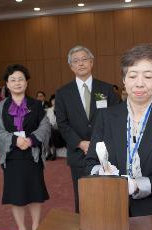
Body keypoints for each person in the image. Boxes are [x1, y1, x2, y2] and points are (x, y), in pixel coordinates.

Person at [86, 44, 152, 230]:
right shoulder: (106, 117)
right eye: (132, 76)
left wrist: (136, 186)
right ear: (124, 79)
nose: (139, 83)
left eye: (148, 76)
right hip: (109, 209)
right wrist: (102, 173)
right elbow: (90, 162)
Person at [55, 45, 119, 213]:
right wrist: (80, 143)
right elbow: (62, 123)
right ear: (71, 66)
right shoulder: (62, 93)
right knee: (82, 196)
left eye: (84, 59)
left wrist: (99, 143)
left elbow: (116, 119)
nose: (80, 63)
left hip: (106, 152)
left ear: (91, 63)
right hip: (78, 153)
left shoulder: (107, 89)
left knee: (107, 195)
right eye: (75, 61)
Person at [0, 64, 50, 230]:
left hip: (32, 155)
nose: (17, 83)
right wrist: (14, 140)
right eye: (13, 80)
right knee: (16, 195)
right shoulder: (0, 107)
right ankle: (22, 229)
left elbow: (45, 126)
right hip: (12, 156)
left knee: (35, 193)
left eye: (21, 79)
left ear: (26, 83)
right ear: (7, 85)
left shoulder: (36, 105)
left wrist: (31, 140)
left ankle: (36, 226)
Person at [45, 94, 65, 160]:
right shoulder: (49, 110)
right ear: (51, 101)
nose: (54, 102)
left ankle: (53, 153)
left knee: (52, 132)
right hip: (51, 128)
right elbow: (47, 120)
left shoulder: (62, 109)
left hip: (60, 128)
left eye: (56, 100)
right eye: (53, 100)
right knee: (47, 132)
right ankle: (49, 153)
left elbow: (63, 120)